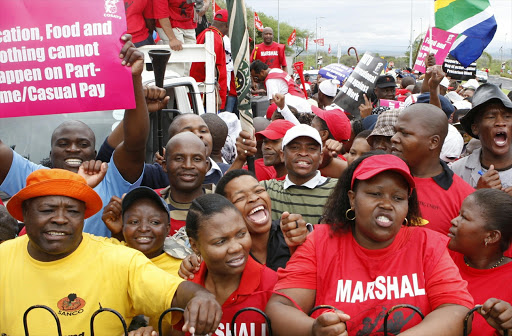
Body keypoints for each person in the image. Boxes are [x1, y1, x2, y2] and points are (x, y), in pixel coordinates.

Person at [266, 153, 474, 335]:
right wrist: (313, 330)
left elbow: (457, 309)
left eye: (398, 197)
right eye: (375, 194)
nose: (386, 204)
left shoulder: (428, 244)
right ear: (352, 199)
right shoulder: (319, 242)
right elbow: (280, 307)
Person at [1, 169, 221, 335]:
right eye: (47, 210)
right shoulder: (3, 257)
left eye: (72, 212)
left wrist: (200, 298)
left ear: (84, 218)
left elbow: (174, 291)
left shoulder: (120, 260)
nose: (60, 219)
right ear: (25, 212)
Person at [0, 35, 150, 237]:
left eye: (83, 144)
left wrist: (134, 79)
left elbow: (135, 144)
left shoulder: (110, 180)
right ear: (51, 153)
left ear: (94, 153)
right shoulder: (34, 178)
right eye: (63, 144)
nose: (73, 149)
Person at [176, 193, 278, 336]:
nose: (236, 247)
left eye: (241, 234)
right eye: (220, 242)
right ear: (194, 245)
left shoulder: (274, 287)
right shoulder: (185, 286)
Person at [391, 103, 475, 235]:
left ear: (433, 142)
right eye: (395, 131)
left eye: (405, 133)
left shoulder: (464, 198)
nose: (394, 138)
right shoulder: (381, 178)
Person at [448, 189, 512, 335]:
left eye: (464, 217)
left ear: (491, 236)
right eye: (458, 214)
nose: (454, 221)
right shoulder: (440, 255)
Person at [261, 124, 338, 224]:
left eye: (311, 148)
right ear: (282, 155)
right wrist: (240, 158)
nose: (303, 153)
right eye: (295, 147)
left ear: (321, 157)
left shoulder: (338, 190)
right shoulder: (267, 189)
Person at [451, 83, 512, 192]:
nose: (500, 122)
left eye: (507, 116)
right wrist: (479, 195)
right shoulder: (457, 171)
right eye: (491, 117)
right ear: (475, 128)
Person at [156, 132, 213, 234]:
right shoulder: (151, 201)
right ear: (165, 165)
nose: (188, 165)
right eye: (179, 158)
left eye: (196, 159)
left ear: (206, 166)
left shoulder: (224, 201)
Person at [190, 9, 229, 111]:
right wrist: (216, 94)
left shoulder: (206, 33)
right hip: (207, 98)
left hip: (201, 94)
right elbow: (210, 66)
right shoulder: (214, 37)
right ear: (227, 25)